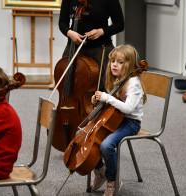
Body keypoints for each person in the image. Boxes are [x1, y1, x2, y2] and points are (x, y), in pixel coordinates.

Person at [90, 45, 147, 196]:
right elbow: (113, 104)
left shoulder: (134, 83)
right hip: (115, 118)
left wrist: (106, 98)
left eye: (120, 62)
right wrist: (99, 101)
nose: (114, 65)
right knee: (88, 138)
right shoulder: (118, 78)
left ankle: (112, 180)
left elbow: (128, 109)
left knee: (107, 145)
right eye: (113, 61)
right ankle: (100, 171)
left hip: (130, 122)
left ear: (130, 64)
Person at [58, 0, 124, 91]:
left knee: (102, 88)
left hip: (100, 50)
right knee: (68, 85)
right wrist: (70, 33)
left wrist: (101, 31)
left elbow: (120, 24)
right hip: (74, 49)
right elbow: (62, 23)